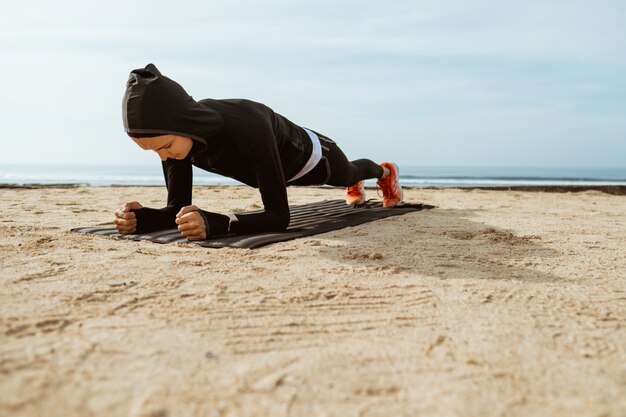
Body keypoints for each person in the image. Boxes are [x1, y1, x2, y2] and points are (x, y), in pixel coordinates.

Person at [114, 63, 403, 240]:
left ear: (184, 124)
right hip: (271, 166)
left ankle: (385, 172)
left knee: (348, 172)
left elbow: (279, 217)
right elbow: (177, 207)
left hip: (314, 157)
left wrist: (216, 223)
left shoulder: (248, 126)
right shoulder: (176, 143)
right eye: (153, 151)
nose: (163, 157)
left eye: (164, 147)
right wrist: (143, 218)